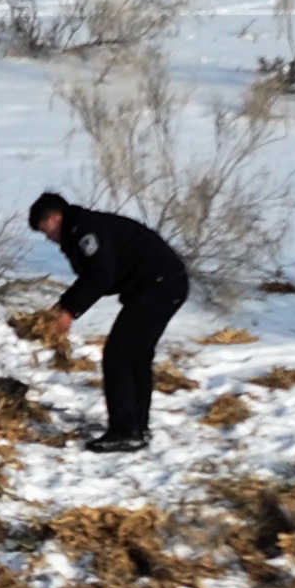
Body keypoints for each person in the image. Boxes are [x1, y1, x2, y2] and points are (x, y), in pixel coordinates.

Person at [23, 190, 191, 454]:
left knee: (118, 355)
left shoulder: (86, 232)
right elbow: (96, 275)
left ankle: (126, 431)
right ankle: (137, 427)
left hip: (160, 286)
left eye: (46, 231)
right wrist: (62, 307)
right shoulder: (82, 229)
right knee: (135, 356)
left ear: (55, 218)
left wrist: (68, 310)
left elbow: (100, 276)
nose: (49, 238)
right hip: (163, 285)